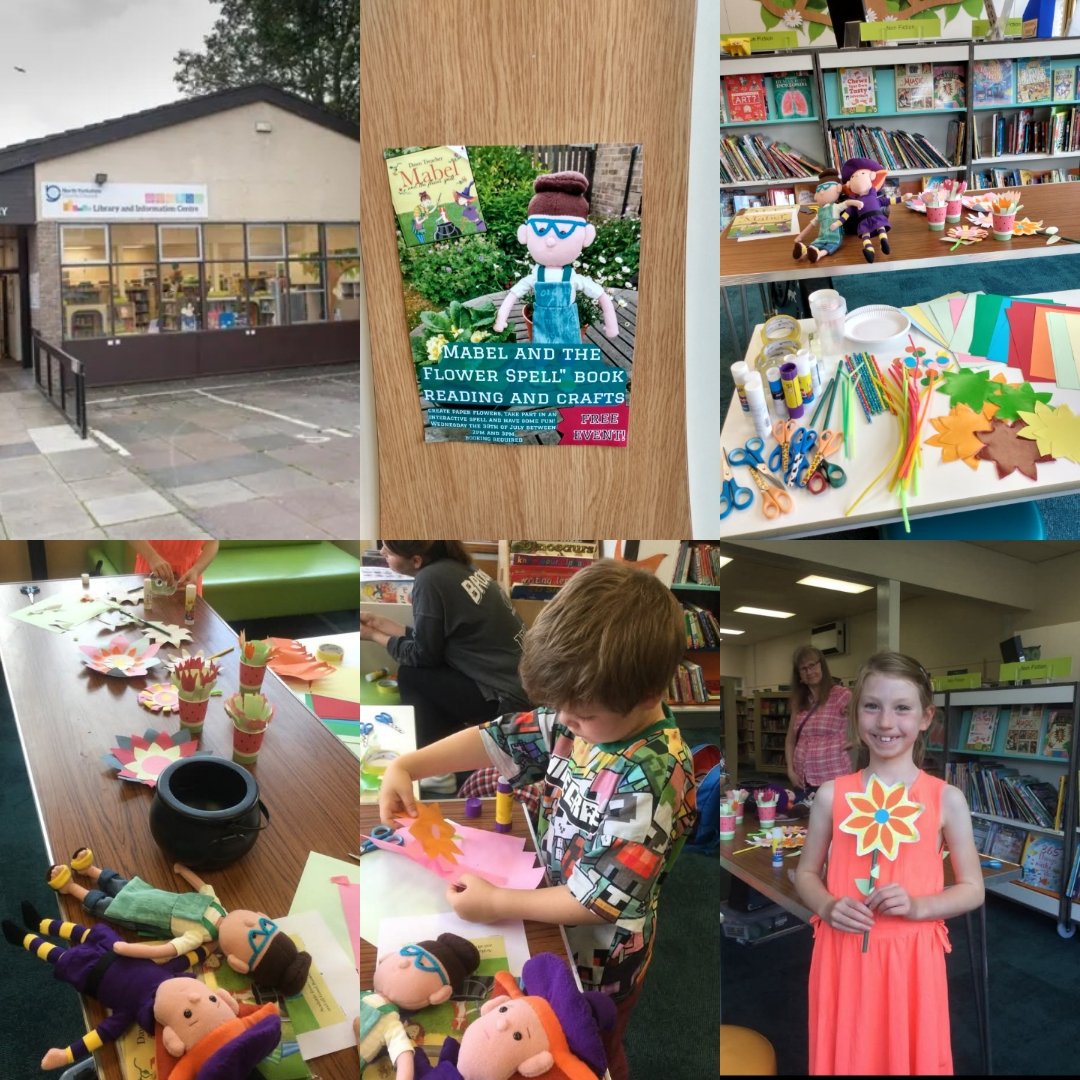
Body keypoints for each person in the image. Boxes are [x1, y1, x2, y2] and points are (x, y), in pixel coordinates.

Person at [378, 559, 698, 1080]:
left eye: (581, 716)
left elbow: (596, 901)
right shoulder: (587, 711)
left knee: (593, 1048)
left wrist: (497, 902)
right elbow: (499, 737)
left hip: (601, 962)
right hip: (551, 911)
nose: (564, 723)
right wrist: (406, 764)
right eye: (560, 709)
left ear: (647, 695)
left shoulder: (652, 779)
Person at [794, 651, 984, 1075]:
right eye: (872, 706)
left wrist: (919, 907)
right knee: (850, 1049)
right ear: (855, 713)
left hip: (912, 959)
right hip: (843, 951)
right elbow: (806, 874)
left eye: (901, 708)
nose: (885, 722)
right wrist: (825, 905)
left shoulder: (946, 799)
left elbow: (973, 888)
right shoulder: (831, 795)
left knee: (905, 1052)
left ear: (924, 717)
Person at [360, 542, 530, 769]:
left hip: (506, 699)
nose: (382, 553)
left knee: (412, 674)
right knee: (422, 671)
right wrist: (380, 623)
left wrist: (373, 635)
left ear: (416, 560)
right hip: (521, 684)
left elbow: (423, 655)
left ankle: (436, 769)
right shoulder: (458, 567)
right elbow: (434, 641)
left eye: (389, 552)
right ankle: (450, 755)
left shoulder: (429, 580)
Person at [786, 645, 853, 799]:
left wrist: (856, 740)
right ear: (799, 676)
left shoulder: (841, 695)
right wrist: (790, 770)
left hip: (833, 777)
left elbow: (866, 718)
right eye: (803, 669)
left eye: (812, 665)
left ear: (821, 665)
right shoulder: (799, 701)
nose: (809, 672)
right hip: (802, 779)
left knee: (833, 821)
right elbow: (790, 740)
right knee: (804, 821)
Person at [129, 540, 219, 595]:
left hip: (188, 577)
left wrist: (197, 570)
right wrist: (152, 557)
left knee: (189, 623)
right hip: (150, 570)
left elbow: (213, 541)